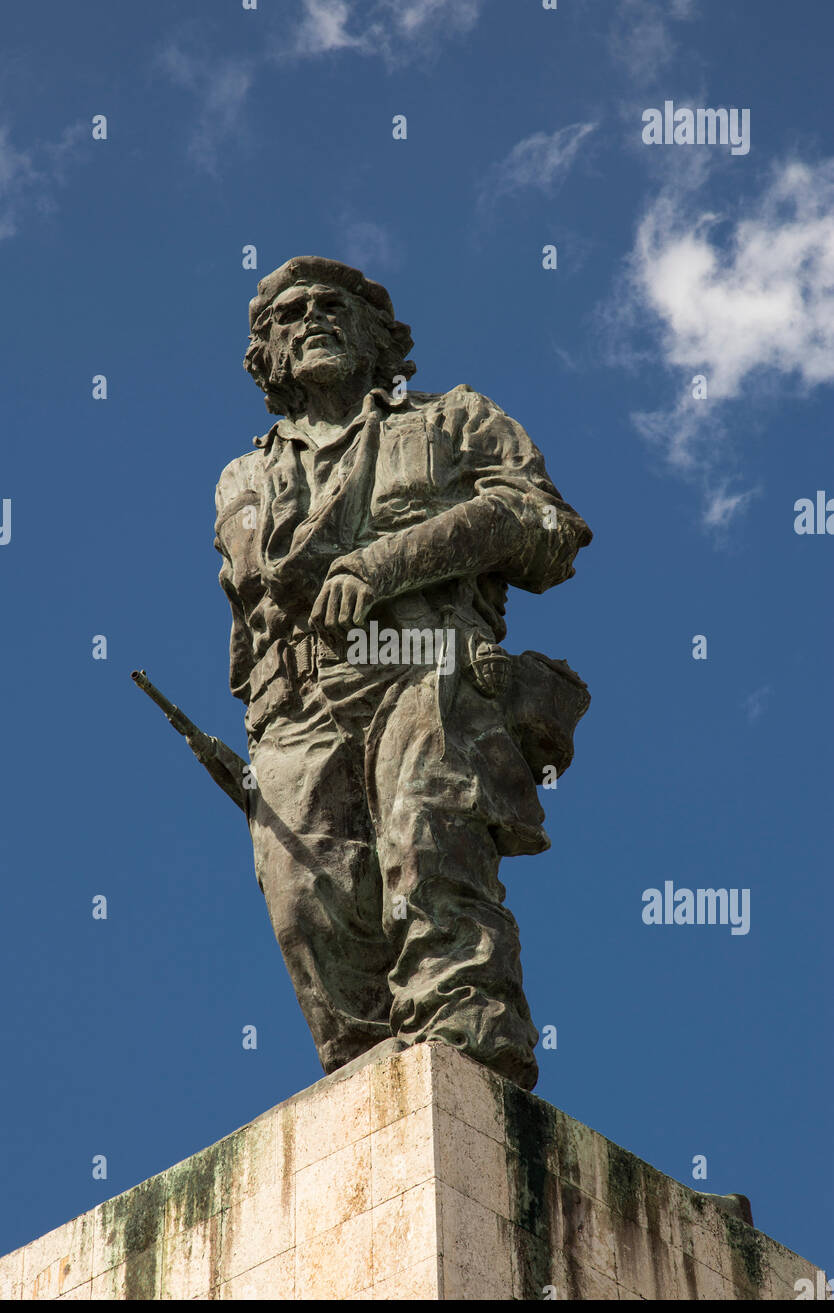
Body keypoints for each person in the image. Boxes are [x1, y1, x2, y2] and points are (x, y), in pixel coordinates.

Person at [213, 255, 591, 1090]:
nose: (312, 318)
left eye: (333, 305)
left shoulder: (455, 420)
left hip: (424, 665)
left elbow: (545, 529)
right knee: (307, 910)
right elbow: (250, 623)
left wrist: (384, 567)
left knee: (430, 850)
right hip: (297, 706)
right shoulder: (244, 479)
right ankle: (368, 1096)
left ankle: (468, 1074)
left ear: (382, 336)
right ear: (265, 357)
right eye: (288, 314)